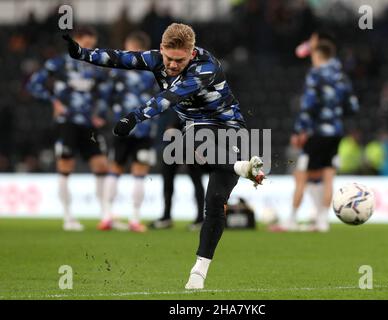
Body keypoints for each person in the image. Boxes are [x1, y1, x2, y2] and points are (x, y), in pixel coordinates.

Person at [62, 23, 266, 289]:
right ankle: (199, 273)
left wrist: (134, 117)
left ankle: (238, 169)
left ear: (191, 54)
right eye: (168, 57)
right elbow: (121, 58)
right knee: (204, 167)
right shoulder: (158, 59)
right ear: (161, 49)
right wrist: (81, 53)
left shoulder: (206, 67)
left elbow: (169, 97)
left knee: (208, 175)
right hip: (200, 129)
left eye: (179, 60)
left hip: (231, 130)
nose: (171, 64)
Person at [27, 27, 109, 231]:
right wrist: (52, 101)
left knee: (101, 165)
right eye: (86, 45)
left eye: (92, 45)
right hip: (67, 121)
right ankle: (68, 217)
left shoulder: (95, 65)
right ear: (77, 41)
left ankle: (106, 216)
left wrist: (100, 113)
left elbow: (104, 92)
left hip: (88, 124)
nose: (89, 49)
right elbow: (33, 84)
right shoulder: (60, 62)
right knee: (65, 166)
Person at [272, 39, 359, 232]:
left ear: (319, 56)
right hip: (335, 134)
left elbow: (308, 106)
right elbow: (353, 107)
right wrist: (335, 114)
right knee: (328, 176)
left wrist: (298, 131)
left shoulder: (316, 75)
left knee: (300, 176)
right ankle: (322, 222)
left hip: (316, 133)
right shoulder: (342, 77)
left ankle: (292, 219)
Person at [99, 31, 159, 233]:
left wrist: (106, 114)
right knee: (139, 172)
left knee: (115, 168)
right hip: (144, 127)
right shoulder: (154, 72)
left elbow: (105, 96)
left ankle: (107, 216)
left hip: (122, 126)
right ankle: (134, 219)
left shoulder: (117, 70)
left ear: (133, 46)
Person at [148, 108, 206, 232]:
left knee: (196, 179)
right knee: (168, 179)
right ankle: (166, 216)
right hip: (172, 143)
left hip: (189, 141)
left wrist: (173, 125)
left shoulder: (186, 94)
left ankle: (200, 218)